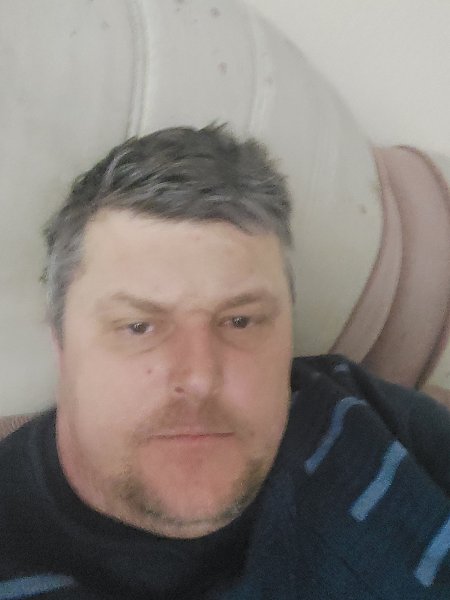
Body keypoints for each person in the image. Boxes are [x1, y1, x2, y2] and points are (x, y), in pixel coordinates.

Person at [0, 125, 448, 600]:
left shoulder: (362, 411)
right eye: (139, 326)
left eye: (240, 320)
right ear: (61, 344)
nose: (199, 378)